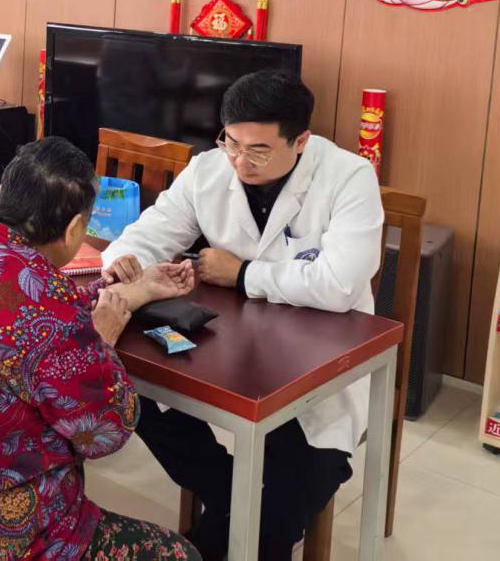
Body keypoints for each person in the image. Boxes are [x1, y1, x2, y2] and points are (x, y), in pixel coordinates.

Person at [100, 70, 383, 561]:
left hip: (316, 358)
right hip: (227, 346)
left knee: (294, 487)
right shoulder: (209, 169)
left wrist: (245, 274)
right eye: (231, 143)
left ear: (301, 141)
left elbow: (339, 284)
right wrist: (124, 261)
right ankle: (232, 495)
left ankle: (235, 519)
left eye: (258, 151)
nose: (239, 161)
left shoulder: (349, 177)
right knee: (131, 392)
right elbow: (150, 233)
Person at [0, 137, 201, 561]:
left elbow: (21, 320)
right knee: (181, 555)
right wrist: (103, 339)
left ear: (3, 193)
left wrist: (131, 292)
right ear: (74, 229)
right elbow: (107, 431)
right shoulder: (50, 311)